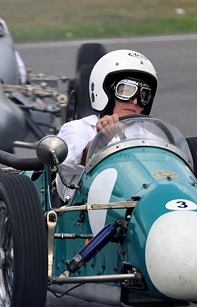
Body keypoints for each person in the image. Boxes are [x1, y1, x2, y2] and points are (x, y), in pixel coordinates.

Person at [55, 49, 158, 202]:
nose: (135, 101)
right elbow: (66, 161)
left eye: (143, 95)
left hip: (142, 204)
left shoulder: (151, 138)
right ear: (106, 92)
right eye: (127, 91)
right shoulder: (77, 128)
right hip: (85, 210)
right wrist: (101, 140)